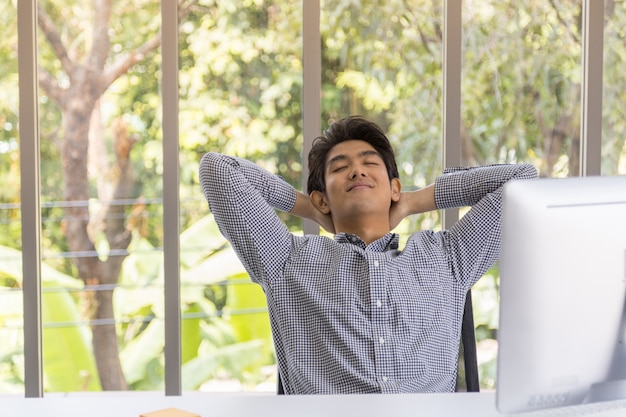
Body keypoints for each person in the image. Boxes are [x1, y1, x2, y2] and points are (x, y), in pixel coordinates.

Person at [199, 115, 537, 394]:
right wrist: (311, 210)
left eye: (369, 163)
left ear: (393, 187)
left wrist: (414, 201)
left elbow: (523, 180)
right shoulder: (287, 260)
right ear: (322, 198)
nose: (357, 171)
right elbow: (218, 170)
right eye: (340, 167)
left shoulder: (445, 257)